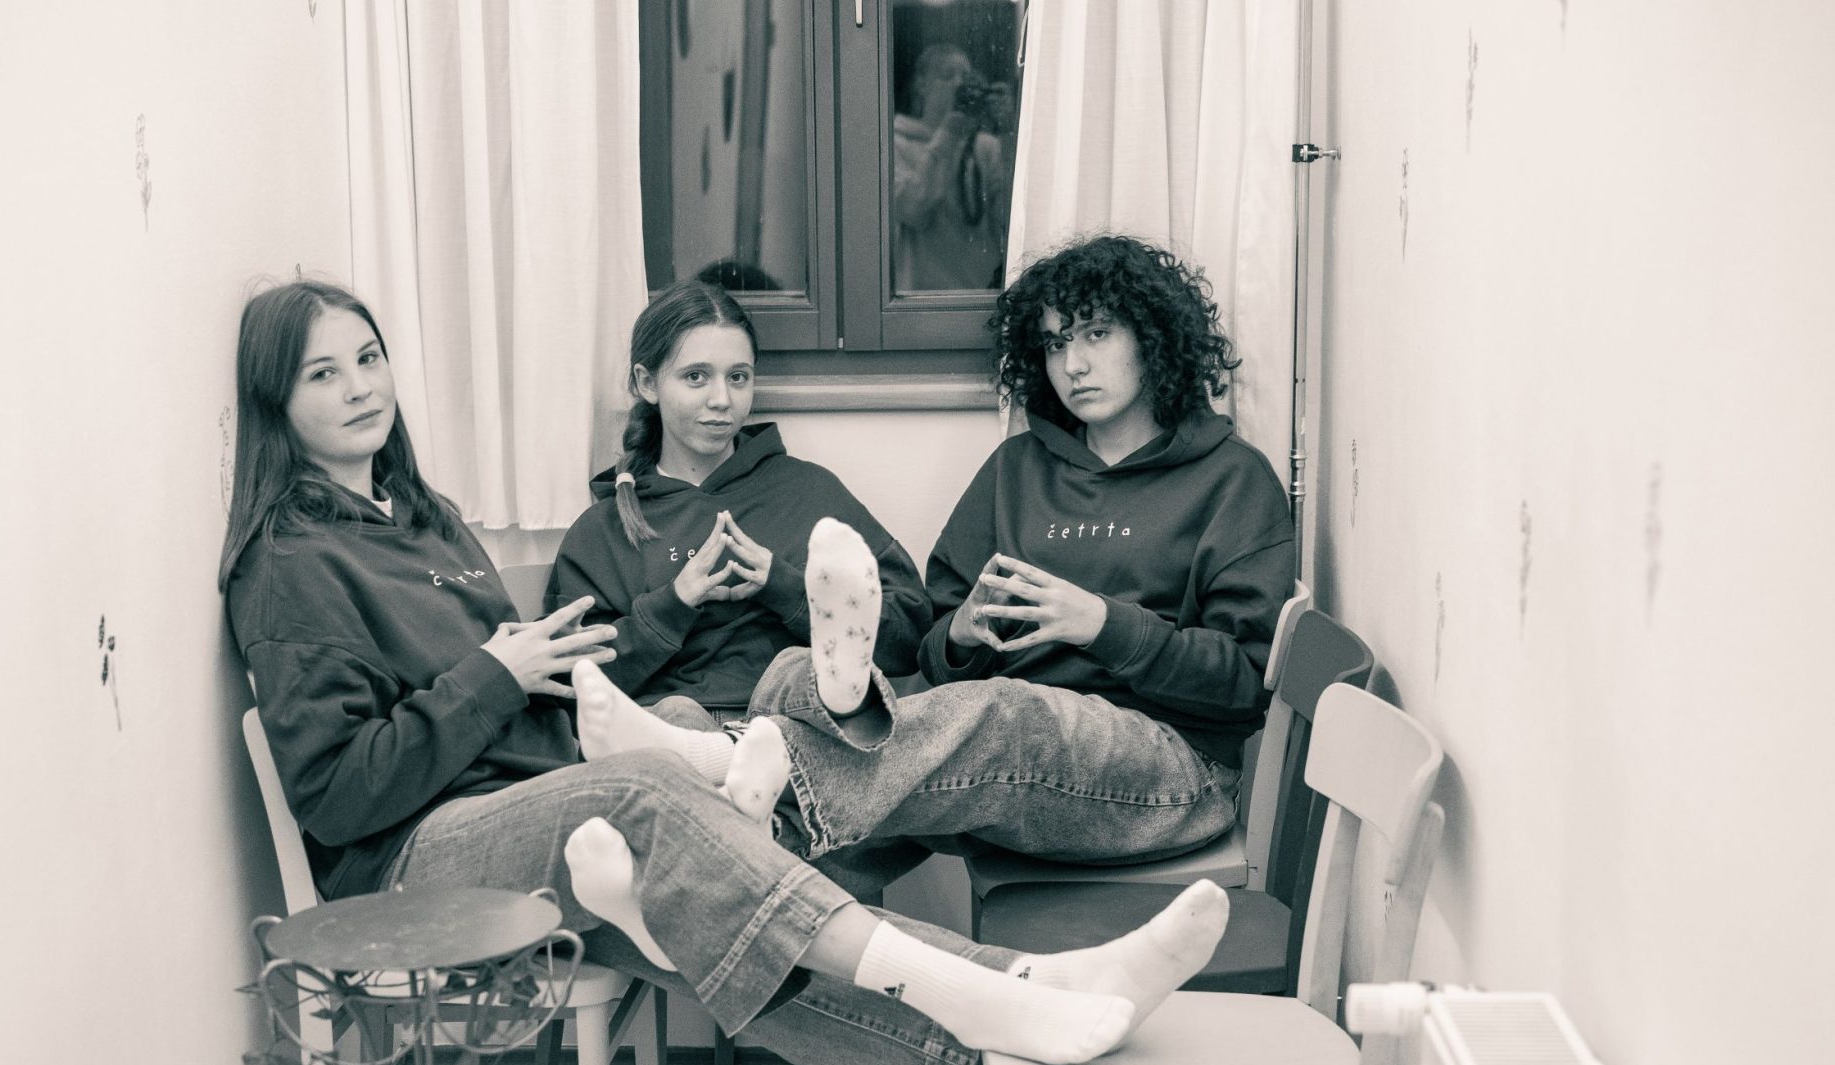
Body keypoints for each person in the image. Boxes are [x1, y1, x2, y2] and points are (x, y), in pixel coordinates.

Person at [219, 278, 1231, 1065]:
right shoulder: (289, 564)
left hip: (553, 805)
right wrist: (508, 668)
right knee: (659, 789)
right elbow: (339, 799)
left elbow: (908, 625)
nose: (360, 387)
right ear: (276, 400)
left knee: (709, 869)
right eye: (323, 374)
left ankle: (1017, 984)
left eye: (368, 359)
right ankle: (1018, 983)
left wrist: (540, 681)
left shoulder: (425, 523)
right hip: (410, 861)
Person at [918, 235, 1297, 853]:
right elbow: (936, 664)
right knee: (799, 683)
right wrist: (961, 635)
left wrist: (1101, 624)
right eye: (1055, 343)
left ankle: (773, 767)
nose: (1073, 365)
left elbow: (1246, 683)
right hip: (1004, 759)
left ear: (1153, 337)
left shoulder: (1232, 479)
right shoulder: (1016, 469)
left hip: (1172, 771)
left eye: (1096, 334)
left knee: (1003, 715)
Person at [547, 279, 929, 721]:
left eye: (738, 377)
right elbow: (565, 684)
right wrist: (673, 605)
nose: (721, 400)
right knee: (679, 713)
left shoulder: (809, 492)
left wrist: (789, 589)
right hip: (670, 732)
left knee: (807, 674)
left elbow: (909, 638)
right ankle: (718, 750)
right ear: (647, 383)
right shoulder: (605, 527)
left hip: (797, 720)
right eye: (696, 377)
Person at [891, 43, 1016, 291]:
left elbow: (1010, 223)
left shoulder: (985, 147)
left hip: (982, 294)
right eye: (947, 76)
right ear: (921, 85)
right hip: (922, 298)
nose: (959, 84)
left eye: (966, 78)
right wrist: (950, 132)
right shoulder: (895, 144)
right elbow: (913, 209)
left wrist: (1008, 132)